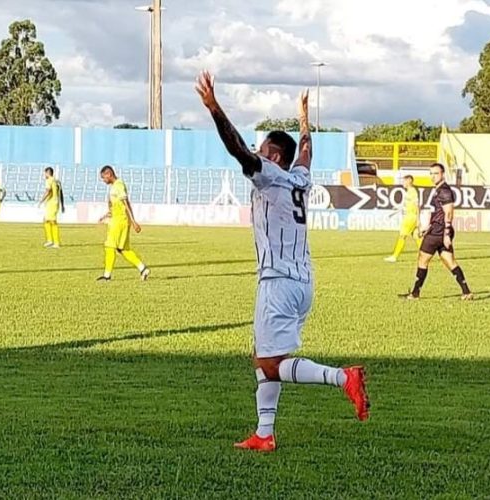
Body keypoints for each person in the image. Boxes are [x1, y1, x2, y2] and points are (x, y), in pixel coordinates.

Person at [196, 71, 368, 452]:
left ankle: (344, 378)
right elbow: (306, 149)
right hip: (302, 281)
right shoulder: (300, 177)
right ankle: (264, 433)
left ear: (274, 156)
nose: (256, 151)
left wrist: (214, 108)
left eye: (263, 148)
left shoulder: (270, 176)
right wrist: (303, 118)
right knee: (262, 358)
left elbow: (236, 149)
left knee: (271, 363)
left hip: (277, 280)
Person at [406, 163, 473, 300]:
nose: (433, 176)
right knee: (450, 261)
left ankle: (415, 293)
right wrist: (428, 227)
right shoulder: (439, 190)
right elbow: (438, 213)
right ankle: (466, 292)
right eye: (431, 173)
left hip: (438, 232)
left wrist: (447, 233)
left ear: (442, 174)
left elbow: (449, 213)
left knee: (422, 260)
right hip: (437, 230)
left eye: (436, 173)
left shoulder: (444, 191)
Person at [97, 166, 149, 281]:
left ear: (109, 174)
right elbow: (116, 205)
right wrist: (107, 215)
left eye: (103, 178)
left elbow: (126, 203)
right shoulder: (114, 186)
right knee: (123, 249)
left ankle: (107, 276)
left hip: (120, 221)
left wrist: (134, 221)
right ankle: (143, 268)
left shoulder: (119, 185)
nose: (103, 180)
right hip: (119, 219)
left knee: (109, 246)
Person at [384, 175, 423, 262]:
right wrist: (397, 211)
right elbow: (407, 205)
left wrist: (418, 219)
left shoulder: (412, 192)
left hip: (410, 217)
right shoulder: (409, 191)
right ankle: (425, 255)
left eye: (404, 181)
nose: (403, 183)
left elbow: (417, 206)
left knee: (402, 235)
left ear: (409, 181)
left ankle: (394, 256)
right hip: (411, 216)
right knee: (417, 237)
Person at [40, 167, 64, 248]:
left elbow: (48, 191)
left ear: (48, 173)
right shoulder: (57, 181)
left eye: (45, 173)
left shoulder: (49, 180)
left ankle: (56, 243)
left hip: (52, 203)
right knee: (46, 220)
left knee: (53, 222)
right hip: (54, 203)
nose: (45, 175)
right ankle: (50, 240)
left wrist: (41, 200)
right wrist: (62, 204)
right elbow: (61, 193)